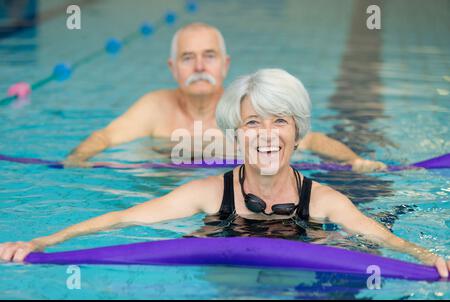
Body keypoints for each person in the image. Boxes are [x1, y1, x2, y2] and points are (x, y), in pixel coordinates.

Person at [1, 69, 448, 277]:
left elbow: (386, 241)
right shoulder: (207, 194)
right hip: (222, 263)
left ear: (297, 133)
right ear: (236, 135)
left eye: (279, 121)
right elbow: (121, 219)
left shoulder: (327, 201)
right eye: (253, 123)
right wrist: (41, 242)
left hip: (305, 260)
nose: (266, 134)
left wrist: (428, 258)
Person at [64, 23, 386, 173]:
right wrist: (78, 158)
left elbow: (312, 141)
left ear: (225, 64)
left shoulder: (248, 106)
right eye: (188, 58)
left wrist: (353, 160)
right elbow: (105, 137)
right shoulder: (154, 106)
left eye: (209, 56)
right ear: (173, 68)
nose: (200, 66)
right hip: (167, 183)